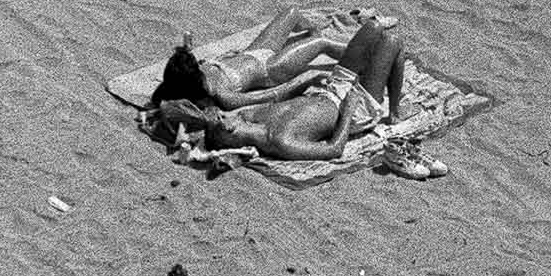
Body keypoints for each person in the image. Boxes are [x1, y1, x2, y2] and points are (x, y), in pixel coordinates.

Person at [158, 20, 422, 163]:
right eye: (224, 118)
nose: (229, 114)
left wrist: (307, 80)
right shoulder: (282, 141)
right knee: (392, 41)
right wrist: (349, 108)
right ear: (228, 131)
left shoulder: (251, 118)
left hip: (328, 88)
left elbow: (276, 95)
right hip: (355, 108)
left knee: (373, 28)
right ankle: (394, 112)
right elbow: (333, 149)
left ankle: (378, 65)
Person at [150, 7, 391, 110]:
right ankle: (370, 58)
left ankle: (314, 28)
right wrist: (306, 80)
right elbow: (270, 96)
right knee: (322, 45)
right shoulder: (223, 95)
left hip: (254, 51)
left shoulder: (186, 78)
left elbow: (163, 91)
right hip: (270, 69)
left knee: (292, 12)